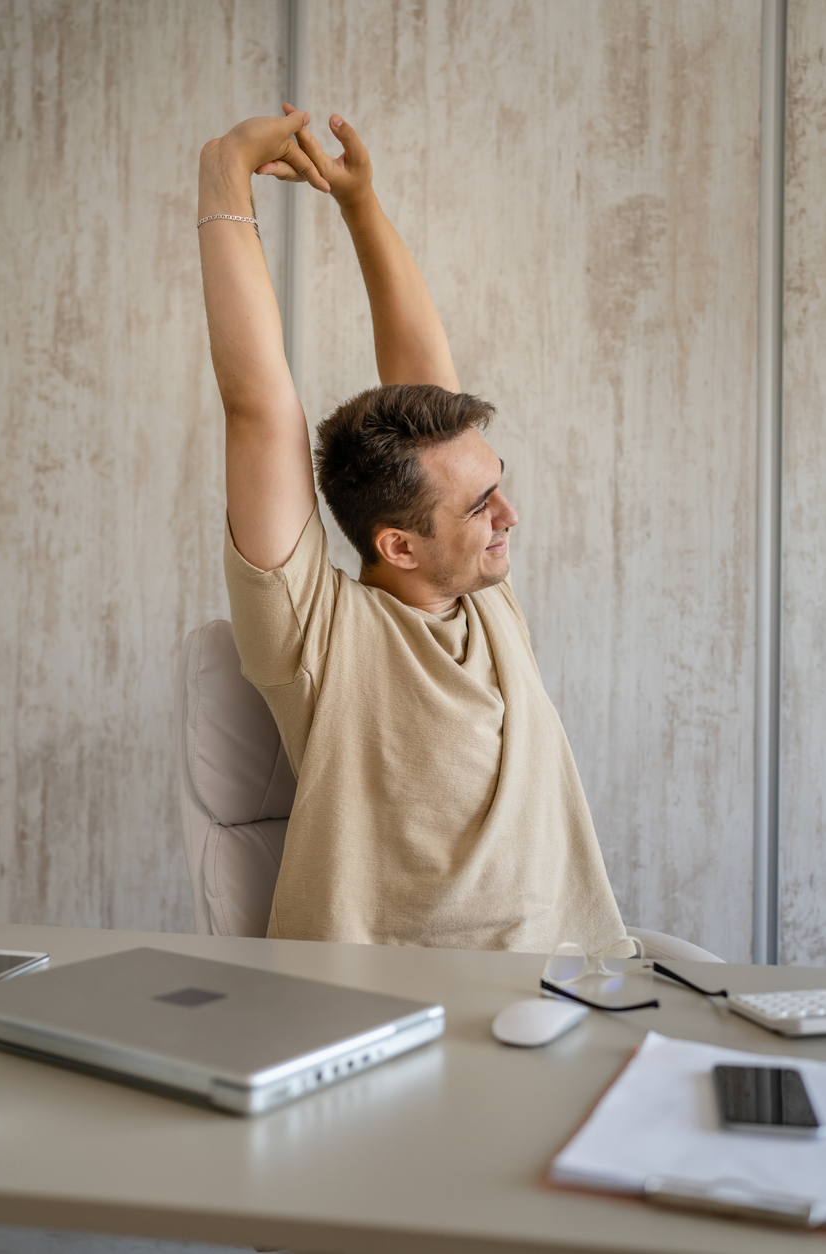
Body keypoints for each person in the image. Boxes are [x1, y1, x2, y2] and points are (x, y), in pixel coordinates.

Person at [198, 107, 629, 953]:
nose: (508, 517)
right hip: (400, 1019)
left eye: (497, 488)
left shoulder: (485, 601)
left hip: (580, 993)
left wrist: (361, 208)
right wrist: (222, 179)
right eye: (480, 508)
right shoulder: (316, 636)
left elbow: (430, 391)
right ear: (397, 545)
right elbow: (257, 407)